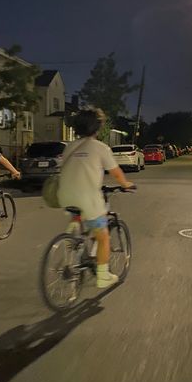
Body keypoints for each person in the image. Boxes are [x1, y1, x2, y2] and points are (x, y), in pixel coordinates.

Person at [58, 109, 134, 289]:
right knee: (103, 237)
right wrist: (126, 184)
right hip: (88, 200)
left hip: (65, 196)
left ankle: (74, 234)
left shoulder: (69, 146)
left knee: (80, 214)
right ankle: (102, 276)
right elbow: (116, 173)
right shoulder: (100, 148)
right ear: (97, 127)